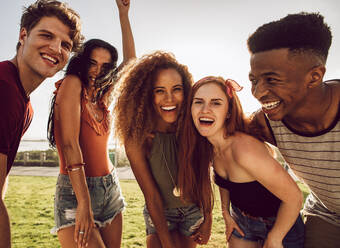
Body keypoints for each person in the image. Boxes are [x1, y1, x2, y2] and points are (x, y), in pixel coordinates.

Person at [0, 0, 82, 247]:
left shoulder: (23, 104)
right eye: (46, 35)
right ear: (23, 35)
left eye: (66, 45)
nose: (56, 48)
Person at [246, 12, 340, 248]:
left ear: (315, 76)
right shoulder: (266, 123)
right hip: (326, 214)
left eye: (272, 79)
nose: (258, 92)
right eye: (254, 80)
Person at [47, 1, 135, 247]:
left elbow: (131, 64)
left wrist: (123, 14)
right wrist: (84, 204)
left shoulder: (101, 97)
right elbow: (69, 144)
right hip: (77, 192)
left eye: (105, 66)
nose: (97, 71)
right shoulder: (72, 84)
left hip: (110, 188)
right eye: (93, 63)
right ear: (83, 61)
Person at [178, 76, 305, 248]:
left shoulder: (244, 150)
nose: (205, 109)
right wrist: (226, 212)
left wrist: (275, 237)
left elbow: (294, 198)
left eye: (216, 103)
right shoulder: (210, 145)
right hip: (242, 220)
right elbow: (223, 180)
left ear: (229, 111)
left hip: (280, 223)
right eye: (198, 102)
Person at [114, 51, 212, 248]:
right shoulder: (137, 137)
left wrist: (208, 218)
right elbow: (151, 196)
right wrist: (166, 243)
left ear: (186, 91)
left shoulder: (193, 127)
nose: (169, 99)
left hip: (193, 210)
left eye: (176, 89)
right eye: (159, 90)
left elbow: (203, 176)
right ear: (146, 95)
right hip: (159, 212)